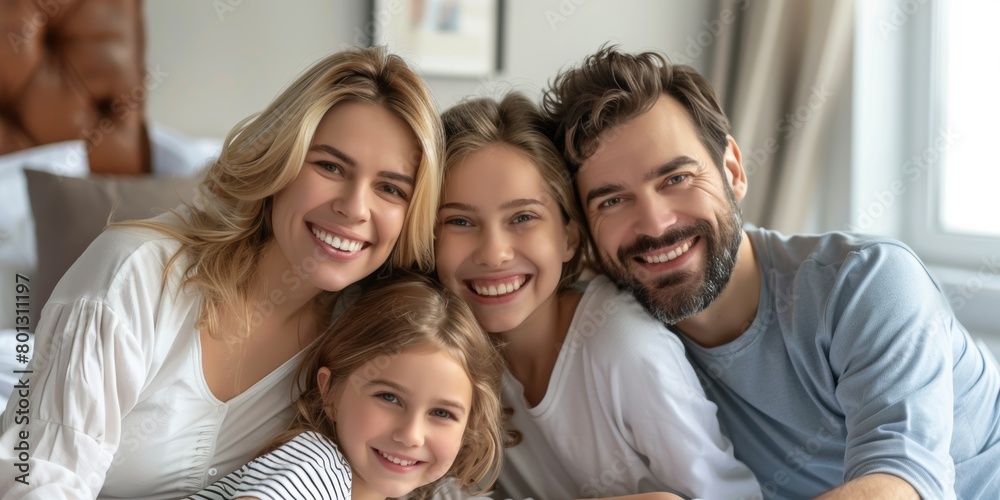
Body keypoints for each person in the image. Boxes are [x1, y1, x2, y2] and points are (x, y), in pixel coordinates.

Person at [540, 45, 1000, 500]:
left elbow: (902, 484)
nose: (656, 224)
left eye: (676, 179)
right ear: (583, 233)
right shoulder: (615, 333)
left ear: (733, 170)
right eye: (612, 201)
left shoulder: (867, 283)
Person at [0, 46, 444, 498]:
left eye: (390, 188)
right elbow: (38, 478)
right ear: (281, 164)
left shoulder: (369, 335)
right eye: (330, 166)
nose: (354, 208)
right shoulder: (137, 274)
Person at [435, 93, 762, 500]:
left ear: (569, 236)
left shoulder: (623, 346)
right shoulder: (447, 357)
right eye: (460, 221)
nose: (494, 253)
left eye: (523, 218)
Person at [187, 274, 506, 499]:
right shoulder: (313, 467)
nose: (411, 434)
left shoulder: (434, 492)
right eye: (389, 397)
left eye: (442, 413)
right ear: (330, 392)